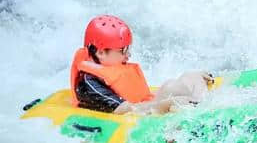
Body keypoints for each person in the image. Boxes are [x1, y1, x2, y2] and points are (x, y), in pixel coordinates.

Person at [70, 15, 213, 115]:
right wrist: (167, 103)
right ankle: (200, 105)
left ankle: (200, 103)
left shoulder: (108, 65)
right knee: (172, 87)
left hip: (146, 104)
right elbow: (125, 110)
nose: (129, 55)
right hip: (140, 114)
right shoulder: (89, 85)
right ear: (101, 52)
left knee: (190, 76)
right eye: (123, 50)